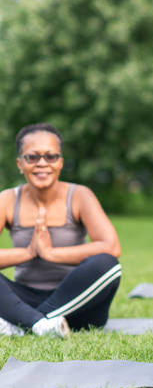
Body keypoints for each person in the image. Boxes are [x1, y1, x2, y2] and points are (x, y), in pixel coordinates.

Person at [0, 123, 122, 338]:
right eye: (32, 157)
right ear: (20, 164)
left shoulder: (79, 195)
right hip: (24, 297)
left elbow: (111, 246)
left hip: (78, 305)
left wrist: (50, 253)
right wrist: (29, 252)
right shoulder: (8, 199)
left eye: (51, 156)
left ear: (61, 163)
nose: (42, 163)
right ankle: (38, 324)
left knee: (107, 264)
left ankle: (26, 323)